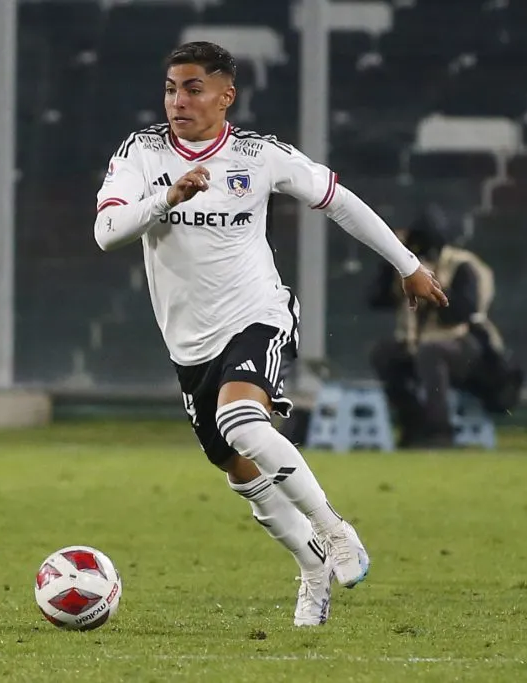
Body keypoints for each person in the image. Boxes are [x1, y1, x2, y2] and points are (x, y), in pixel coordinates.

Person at [93, 42, 448, 626]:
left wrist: (406, 263)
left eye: (192, 88)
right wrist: (168, 196)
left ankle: (336, 533)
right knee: (238, 470)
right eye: (170, 88)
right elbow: (107, 231)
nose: (178, 100)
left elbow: (340, 201)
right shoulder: (143, 152)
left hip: (257, 314)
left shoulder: (258, 155)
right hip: (188, 343)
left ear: (225, 95)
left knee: (241, 419)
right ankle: (311, 567)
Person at [368, 209, 518, 448]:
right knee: (384, 354)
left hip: (466, 346)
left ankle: (439, 432)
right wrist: (391, 259)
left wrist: (433, 290)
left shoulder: (461, 265)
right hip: (417, 344)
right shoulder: (407, 267)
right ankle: (412, 424)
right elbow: (375, 299)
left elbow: (464, 311)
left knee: (431, 352)